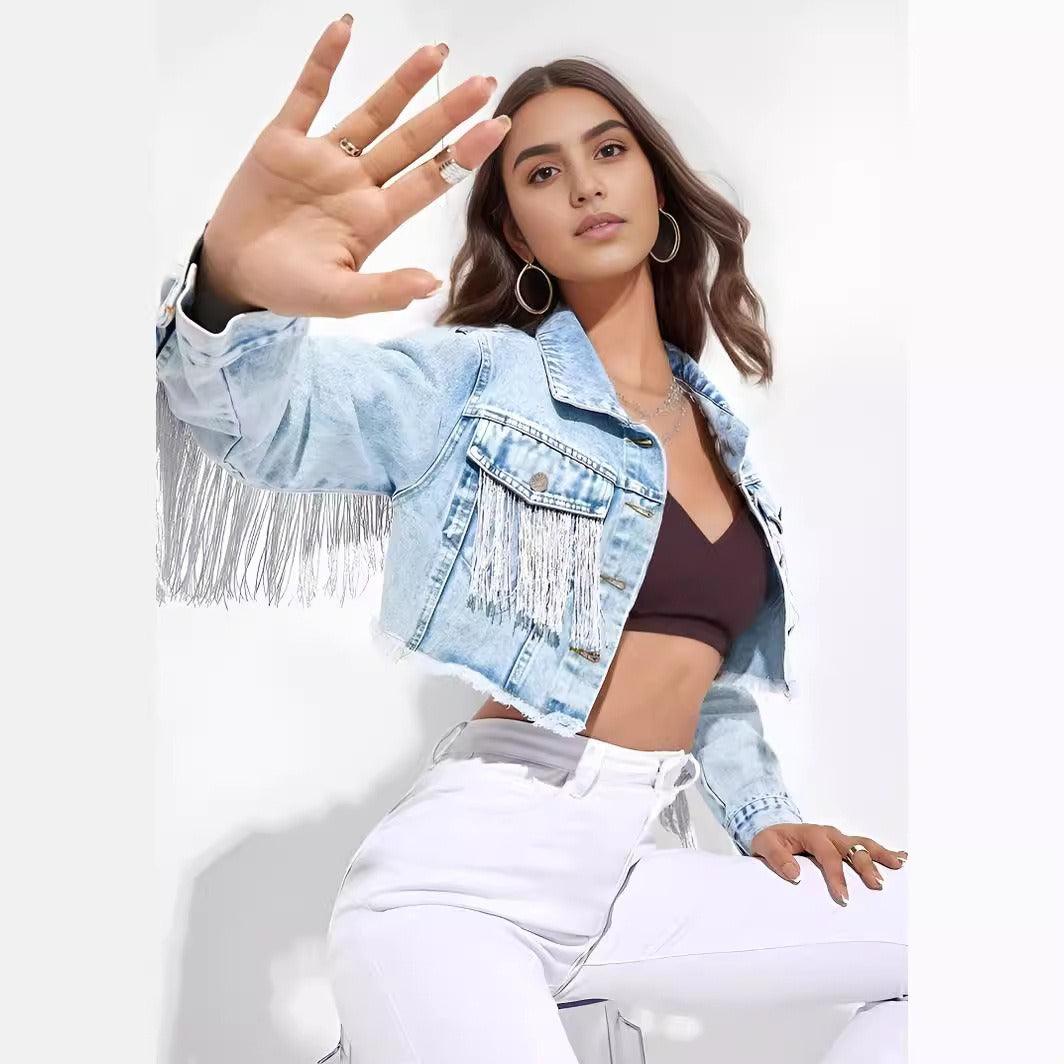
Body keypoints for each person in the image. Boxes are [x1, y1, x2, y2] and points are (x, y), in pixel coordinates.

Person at [155, 16, 907, 1062]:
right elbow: (268, 419)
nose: (586, 185)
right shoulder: (476, 382)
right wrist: (233, 291)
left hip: (631, 871)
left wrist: (761, 814)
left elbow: (709, 681)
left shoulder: (715, 432)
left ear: (656, 188)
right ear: (516, 232)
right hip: (463, 877)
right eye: (542, 173)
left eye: (609, 151)